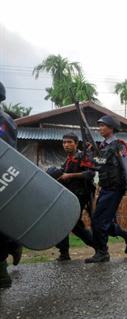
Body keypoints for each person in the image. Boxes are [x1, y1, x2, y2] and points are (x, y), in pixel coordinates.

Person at [85, 115, 127, 263]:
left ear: (111, 128)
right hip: (105, 188)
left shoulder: (118, 145)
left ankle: (102, 253)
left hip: (115, 189)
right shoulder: (102, 147)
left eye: (103, 125)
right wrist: (90, 153)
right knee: (103, 222)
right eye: (99, 125)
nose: (100, 128)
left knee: (98, 222)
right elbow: (99, 164)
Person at [49, 132, 96, 261]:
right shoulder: (68, 160)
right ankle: (65, 253)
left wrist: (69, 176)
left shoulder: (82, 156)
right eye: (64, 142)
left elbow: (90, 173)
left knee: (70, 224)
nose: (66, 145)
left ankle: (98, 248)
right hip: (68, 196)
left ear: (76, 144)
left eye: (70, 142)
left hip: (79, 196)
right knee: (68, 223)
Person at [0, 81, 22, 288]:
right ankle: (14, 243)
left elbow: (4, 152)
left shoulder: (3, 121)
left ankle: (1, 273)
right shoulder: (7, 119)